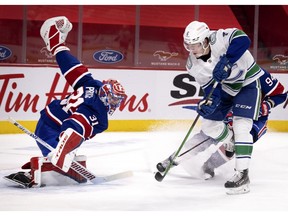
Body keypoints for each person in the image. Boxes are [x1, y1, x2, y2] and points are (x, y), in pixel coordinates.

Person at [4, 16, 126, 188]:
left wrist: (58, 47)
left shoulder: (94, 84)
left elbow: (73, 69)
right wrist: (63, 150)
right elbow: (75, 124)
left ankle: (52, 157)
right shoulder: (100, 115)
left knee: (57, 154)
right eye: (114, 98)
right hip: (51, 126)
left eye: (118, 100)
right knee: (54, 157)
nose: (115, 103)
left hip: (51, 116)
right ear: (106, 94)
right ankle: (40, 168)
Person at [178, 20, 279, 194]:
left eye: (194, 45)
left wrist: (226, 60)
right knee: (209, 125)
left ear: (205, 40)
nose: (191, 50)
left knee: (242, 126)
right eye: (189, 45)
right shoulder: (193, 64)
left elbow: (243, 40)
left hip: (247, 83)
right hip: (226, 90)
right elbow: (211, 89)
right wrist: (209, 103)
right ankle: (229, 141)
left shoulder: (219, 38)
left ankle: (242, 175)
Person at [157, 68, 287, 183]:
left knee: (239, 141)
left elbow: (282, 94)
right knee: (207, 135)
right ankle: (173, 159)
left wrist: (268, 104)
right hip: (229, 112)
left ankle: (209, 166)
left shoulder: (260, 74)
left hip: (254, 119)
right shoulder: (222, 71)